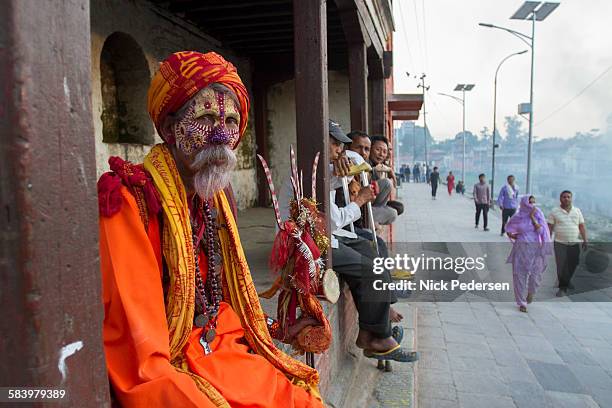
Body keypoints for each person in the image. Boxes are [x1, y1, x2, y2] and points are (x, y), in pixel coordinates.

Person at [97, 51, 323, 407]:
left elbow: (217, 301)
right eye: (205, 116)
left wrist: (277, 328)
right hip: (169, 363)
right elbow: (142, 357)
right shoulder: (129, 201)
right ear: (169, 129)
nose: (221, 134)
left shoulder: (212, 197)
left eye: (232, 121)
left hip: (220, 345)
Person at [319, 121, 417, 363]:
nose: (339, 151)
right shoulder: (318, 169)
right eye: (335, 145)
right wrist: (360, 200)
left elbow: (354, 160)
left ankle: (369, 330)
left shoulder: (330, 168)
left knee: (374, 248)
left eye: (341, 146)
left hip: (333, 234)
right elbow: (333, 222)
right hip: (316, 243)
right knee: (371, 268)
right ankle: (380, 335)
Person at [505, 196, 552, 313]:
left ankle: (531, 292)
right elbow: (509, 228)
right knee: (519, 275)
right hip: (521, 249)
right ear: (524, 203)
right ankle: (521, 302)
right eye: (529, 201)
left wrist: (532, 217)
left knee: (535, 275)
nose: (532, 204)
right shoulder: (518, 216)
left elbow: (542, 231)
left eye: (533, 201)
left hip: (536, 250)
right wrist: (513, 235)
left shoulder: (538, 214)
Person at [547, 190, 588, 297]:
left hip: (574, 243)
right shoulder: (554, 211)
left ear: (571, 198)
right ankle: (562, 288)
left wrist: (585, 239)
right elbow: (549, 228)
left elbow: (582, 226)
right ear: (560, 199)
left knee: (574, 263)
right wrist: (546, 241)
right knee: (561, 266)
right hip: (560, 243)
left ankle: (567, 280)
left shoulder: (577, 211)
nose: (566, 199)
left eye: (568, 197)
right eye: (564, 197)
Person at [368, 136, 403, 225]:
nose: (381, 154)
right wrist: (389, 170)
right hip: (361, 209)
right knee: (387, 183)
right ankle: (370, 220)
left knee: (398, 208)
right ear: (370, 149)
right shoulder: (366, 164)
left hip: (372, 205)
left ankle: (374, 218)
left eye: (385, 151)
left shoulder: (381, 166)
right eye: (378, 150)